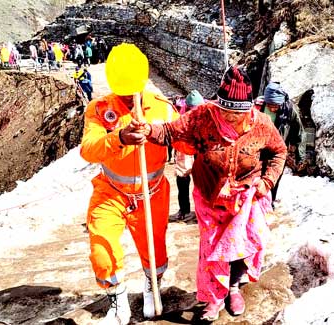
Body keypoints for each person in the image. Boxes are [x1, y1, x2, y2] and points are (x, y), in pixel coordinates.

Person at [124, 66, 287, 321]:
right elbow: (170, 132)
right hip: (210, 196)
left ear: (249, 108)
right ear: (218, 105)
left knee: (241, 246)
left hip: (246, 195)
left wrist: (267, 181)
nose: (232, 118)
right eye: (227, 111)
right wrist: (148, 130)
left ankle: (233, 288)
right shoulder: (202, 117)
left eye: (239, 112)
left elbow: (279, 151)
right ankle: (214, 298)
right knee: (213, 251)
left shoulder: (261, 124)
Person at [80, 43, 179, 324]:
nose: (126, 95)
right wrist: (119, 138)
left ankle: (152, 286)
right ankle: (118, 300)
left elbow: (183, 137)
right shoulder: (99, 109)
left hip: (153, 193)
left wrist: (167, 140)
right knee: (102, 245)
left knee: (155, 251)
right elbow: (88, 148)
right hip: (110, 192)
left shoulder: (162, 109)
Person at [256, 82, 305, 204]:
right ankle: (256, 206)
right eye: (270, 105)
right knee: (257, 179)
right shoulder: (258, 107)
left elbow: (299, 133)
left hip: (278, 152)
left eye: (275, 105)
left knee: (274, 179)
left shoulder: (290, 110)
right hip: (258, 149)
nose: (272, 108)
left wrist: (300, 156)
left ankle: (270, 203)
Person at [173, 90, 204, 219]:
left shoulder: (207, 116)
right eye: (191, 109)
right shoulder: (181, 118)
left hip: (202, 152)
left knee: (202, 185)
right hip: (184, 152)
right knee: (182, 181)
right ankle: (184, 210)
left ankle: (201, 212)